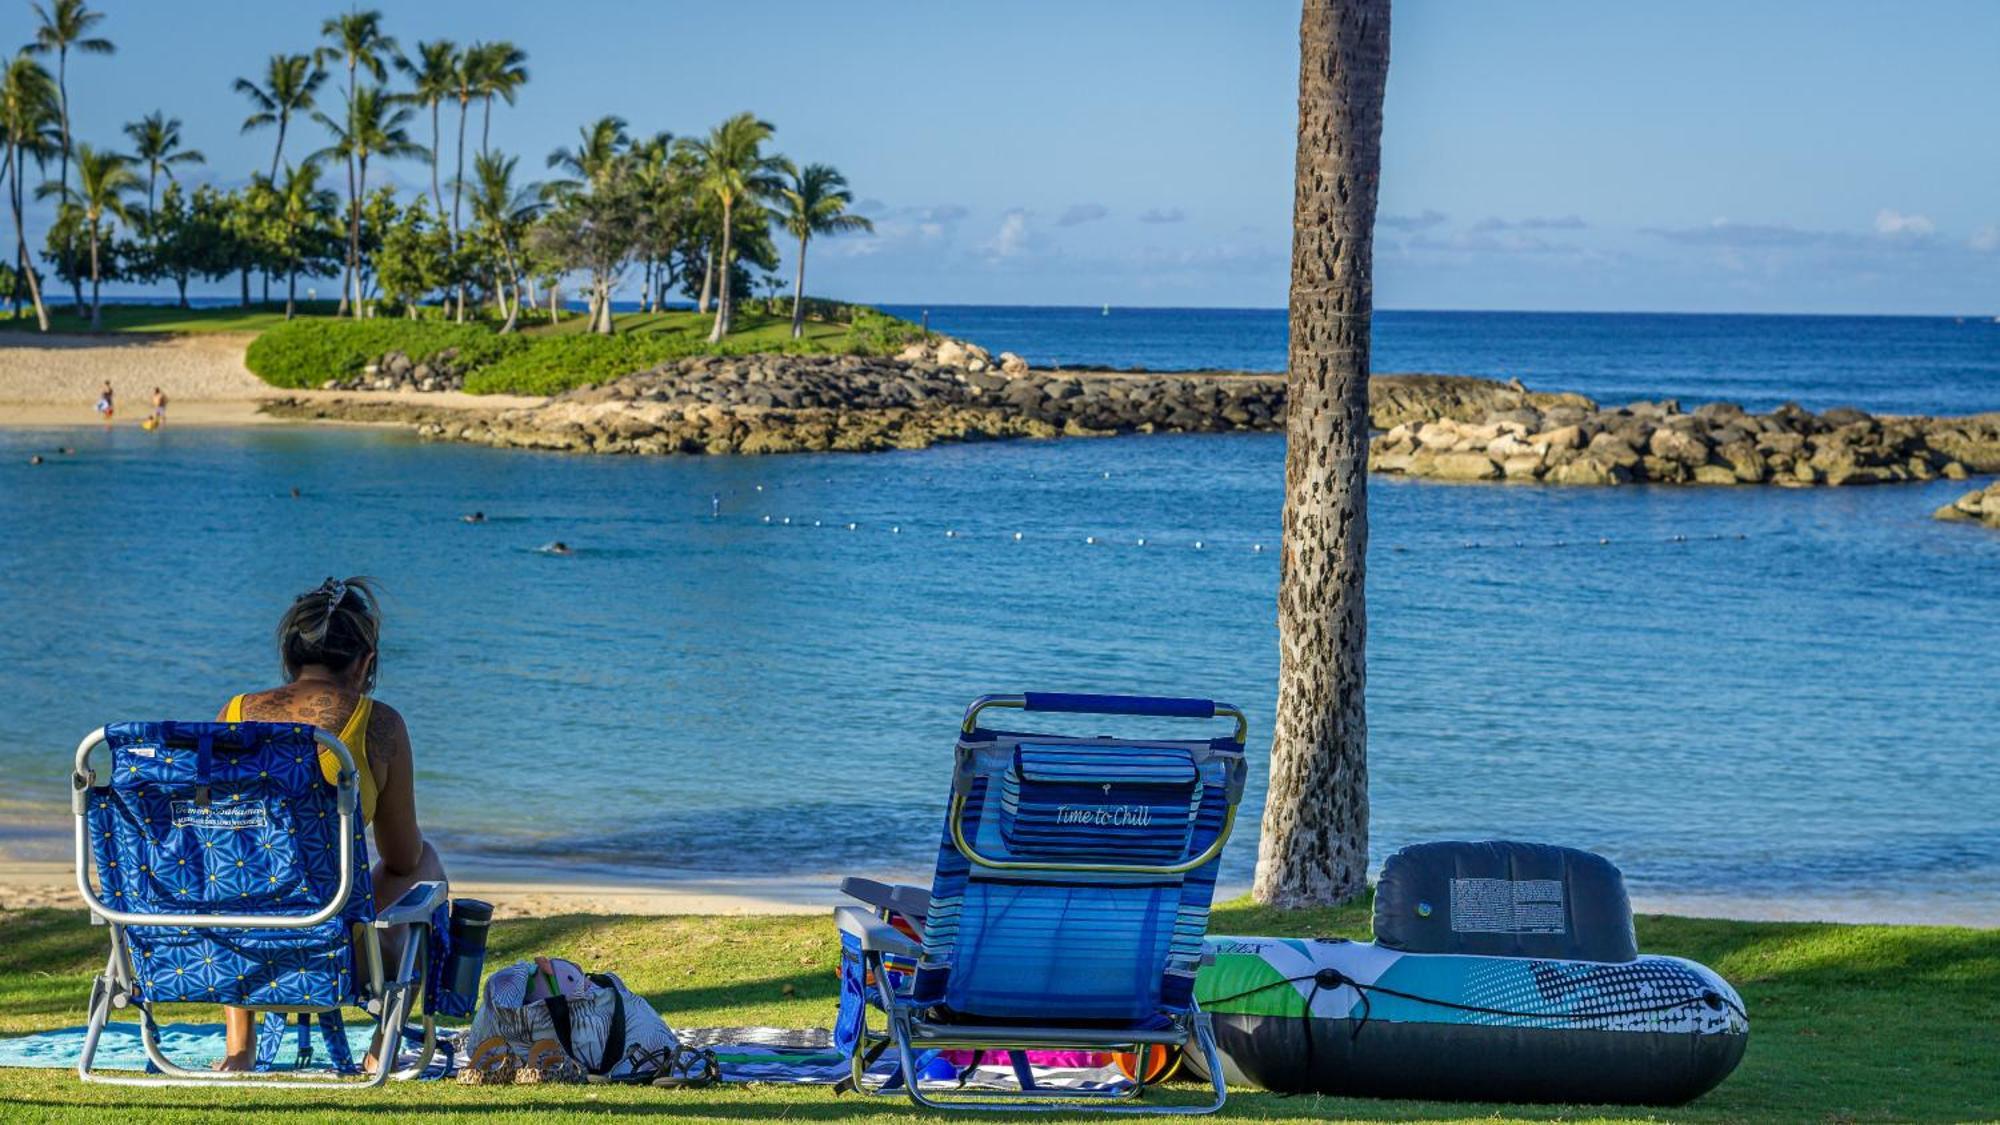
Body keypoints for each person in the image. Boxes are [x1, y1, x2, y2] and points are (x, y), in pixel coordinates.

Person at [211, 577, 447, 1072]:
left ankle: (239, 1050)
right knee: (424, 861)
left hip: (230, 948)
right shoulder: (379, 725)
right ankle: (381, 1051)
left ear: (290, 656)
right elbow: (401, 858)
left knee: (237, 875)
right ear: (364, 662)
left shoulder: (232, 714)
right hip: (328, 946)